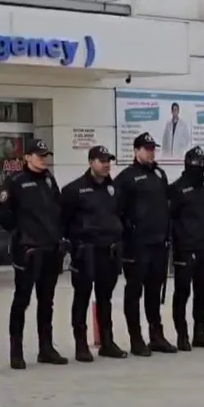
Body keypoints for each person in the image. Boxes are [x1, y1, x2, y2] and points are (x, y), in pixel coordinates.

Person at [0, 137, 69, 369]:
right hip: (28, 251)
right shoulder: (15, 181)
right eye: (39, 156)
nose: (43, 160)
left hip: (50, 249)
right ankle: (16, 350)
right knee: (22, 300)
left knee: (47, 301)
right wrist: (20, 234)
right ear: (27, 158)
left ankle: (46, 348)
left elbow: (58, 211)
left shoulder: (49, 180)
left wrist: (61, 239)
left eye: (46, 156)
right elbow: (2, 215)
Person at [61, 146, 128, 362]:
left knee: (105, 298)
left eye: (109, 160)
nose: (107, 164)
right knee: (82, 297)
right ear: (91, 162)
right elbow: (64, 222)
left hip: (108, 251)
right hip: (85, 252)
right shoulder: (74, 190)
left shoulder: (113, 188)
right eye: (102, 160)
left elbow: (120, 215)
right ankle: (81, 344)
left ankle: (107, 342)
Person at [115, 132, 176, 356]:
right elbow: (117, 210)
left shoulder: (160, 174)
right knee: (134, 293)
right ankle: (136, 338)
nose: (151, 152)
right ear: (136, 150)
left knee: (154, 291)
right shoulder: (126, 177)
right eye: (147, 148)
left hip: (158, 243)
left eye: (153, 148)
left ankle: (156, 335)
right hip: (136, 246)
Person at [168, 146, 204, 351]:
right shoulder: (177, 188)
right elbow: (170, 219)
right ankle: (182, 334)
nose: (202, 166)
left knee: (203, 291)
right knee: (182, 292)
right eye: (199, 162)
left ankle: (200, 332)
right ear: (190, 164)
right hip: (185, 249)